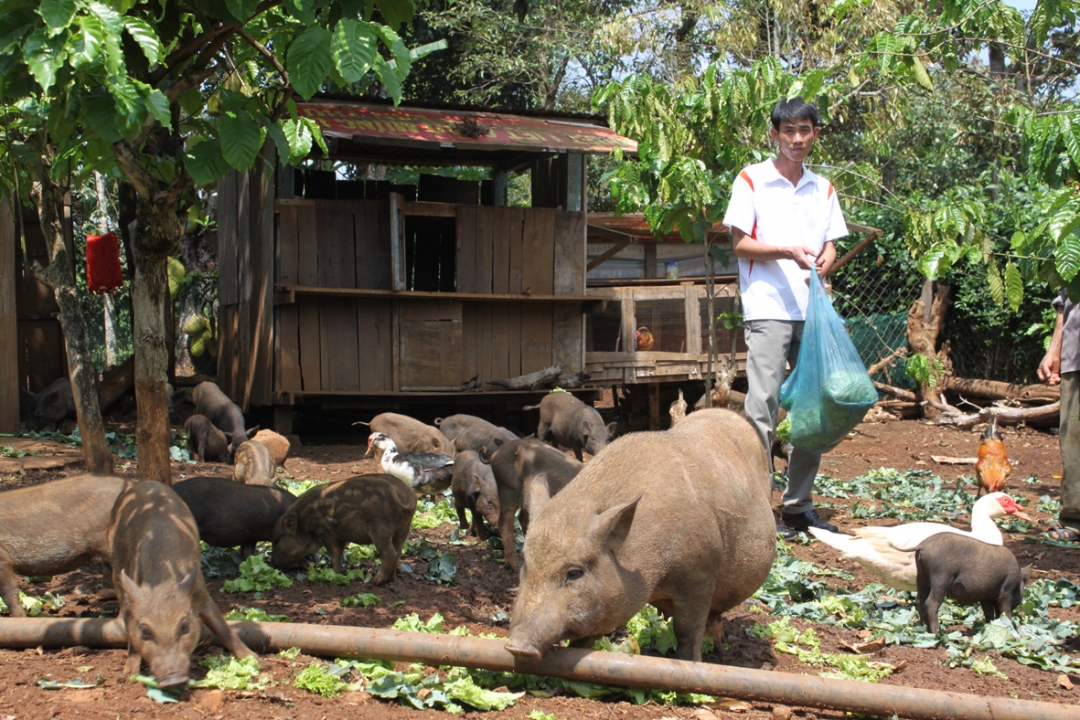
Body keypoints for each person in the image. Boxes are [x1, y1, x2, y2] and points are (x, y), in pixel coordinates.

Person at [721, 97, 848, 540]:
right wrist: (786, 251)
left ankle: (797, 506)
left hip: (812, 311)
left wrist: (826, 259)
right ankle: (756, 506)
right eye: (789, 130)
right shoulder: (751, 180)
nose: (797, 139)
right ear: (774, 134)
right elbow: (739, 244)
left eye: (806, 130)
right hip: (768, 308)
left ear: (815, 134)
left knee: (813, 411)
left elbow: (831, 244)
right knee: (762, 407)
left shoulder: (823, 188)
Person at [1038, 290, 1080, 542]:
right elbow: (1065, 302)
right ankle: (1076, 519)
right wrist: (1054, 350)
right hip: (1077, 355)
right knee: (1074, 440)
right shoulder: (1072, 250)